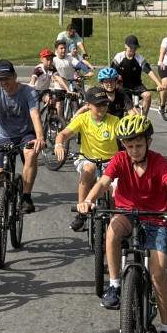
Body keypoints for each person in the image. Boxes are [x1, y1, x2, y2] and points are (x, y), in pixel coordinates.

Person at [78, 114, 167, 333]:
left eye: (139, 145)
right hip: (127, 213)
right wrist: (88, 200)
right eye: (129, 145)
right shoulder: (120, 159)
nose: (134, 150)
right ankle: (115, 285)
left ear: (149, 142)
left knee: (159, 273)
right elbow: (103, 182)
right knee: (112, 231)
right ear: (123, 145)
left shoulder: (158, 161)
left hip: (156, 218)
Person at [0, 60, 45, 215]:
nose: (4, 82)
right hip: (2, 137)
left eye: (7, 78)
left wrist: (40, 137)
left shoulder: (28, 92)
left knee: (31, 153)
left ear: (15, 76)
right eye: (0, 80)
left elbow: (35, 115)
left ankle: (26, 196)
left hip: (25, 134)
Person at [57, 86, 121, 232]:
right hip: (89, 159)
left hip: (111, 161)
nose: (102, 108)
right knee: (88, 169)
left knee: (114, 193)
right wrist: (59, 145)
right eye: (98, 105)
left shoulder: (114, 120)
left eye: (104, 104)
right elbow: (63, 134)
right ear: (88, 105)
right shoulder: (82, 119)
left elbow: (125, 139)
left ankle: (116, 223)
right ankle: (82, 212)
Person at [113, 35, 161, 115]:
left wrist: (158, 83)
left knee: (147, 95)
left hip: (137, 85)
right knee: (130, 110)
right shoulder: (119, 57)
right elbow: (112, 72)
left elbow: (149, 71)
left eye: (135, 48)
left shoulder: (139, 58)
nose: (133, 50)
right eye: (131, 47)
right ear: (125, 46)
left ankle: (143, 118)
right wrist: (117, 83)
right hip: (122, 86)